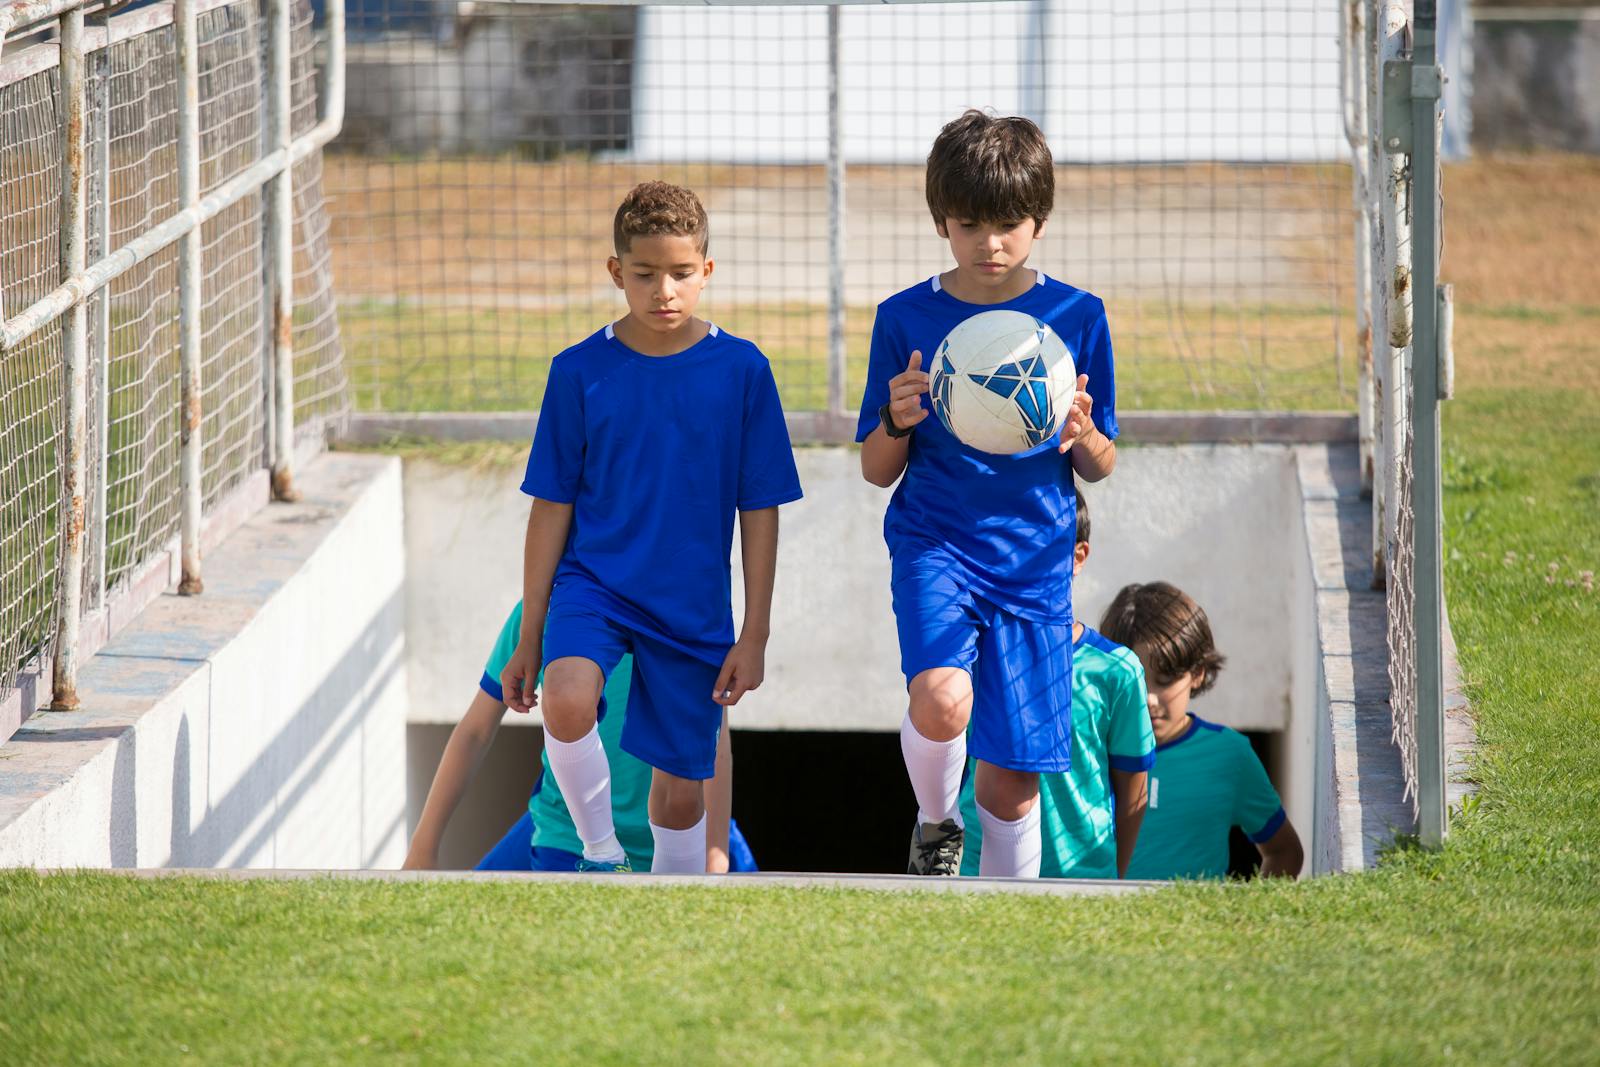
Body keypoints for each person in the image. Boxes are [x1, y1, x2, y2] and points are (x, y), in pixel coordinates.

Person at [499, 181, 803, 873]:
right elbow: (550, 508)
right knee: (568, 701)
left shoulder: (744, 371)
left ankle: (671, 901)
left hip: (690, 603)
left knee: (678, 798)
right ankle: (600, 855)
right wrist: (531, 633)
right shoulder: (577, 372)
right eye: (644, 274)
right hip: (595, 585)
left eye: (681, 273)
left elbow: (761, 511)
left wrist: (753, 632)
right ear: (616, 272)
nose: (664, 289)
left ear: (707, 271)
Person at [856, 110, 1119, 877]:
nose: (990, 243)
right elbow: (877, 469)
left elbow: (1100, 464)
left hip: (1034, 557)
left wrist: (1086, 438)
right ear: (942, 219)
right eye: (970, 223)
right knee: (941, 700)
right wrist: (896, 419)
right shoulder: (904, 318)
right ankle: (935, 821)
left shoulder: (1077, 317)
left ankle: (1010, 917)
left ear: (1040, 220)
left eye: (1009, 224)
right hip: (935, 542)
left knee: (1010, 786)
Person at [402, 600, 758, 873]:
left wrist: (715, 854)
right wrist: (422, 848)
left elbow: (715, 746)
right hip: (566, 830)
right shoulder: (543, 609)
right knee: (466, 919)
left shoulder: (692, 610)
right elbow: (476, 731)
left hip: (678, 834)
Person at [956, 489, 1153, 878]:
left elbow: (1134, 791)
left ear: (1077, 557)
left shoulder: (1118, 670)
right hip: (978, 870)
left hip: (1080, 877)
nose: (1020, 558)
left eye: (1039, 541)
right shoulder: (972, 653)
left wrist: (1111, 873)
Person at [1099, 581, 1306, 880]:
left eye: (1165, 679)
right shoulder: (1087, 748)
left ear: (1198, 673)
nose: (1148, 698)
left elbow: (1284, 851)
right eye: (1135, 681)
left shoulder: (1229, 756)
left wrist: (1249, 919)